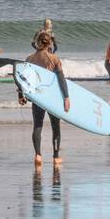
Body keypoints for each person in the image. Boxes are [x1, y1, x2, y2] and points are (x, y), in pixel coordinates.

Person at [19, 32, 69, 170]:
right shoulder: (54, 58)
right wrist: (66, 97)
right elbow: (61, 79)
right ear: (49, 43)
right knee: (55, 127)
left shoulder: (29, 58)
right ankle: (56, 156)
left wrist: (21, 95)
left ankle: (38, 155)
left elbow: (23, 80)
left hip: (38, 97)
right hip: (52, 98)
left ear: (38, 42)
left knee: (38, 126)